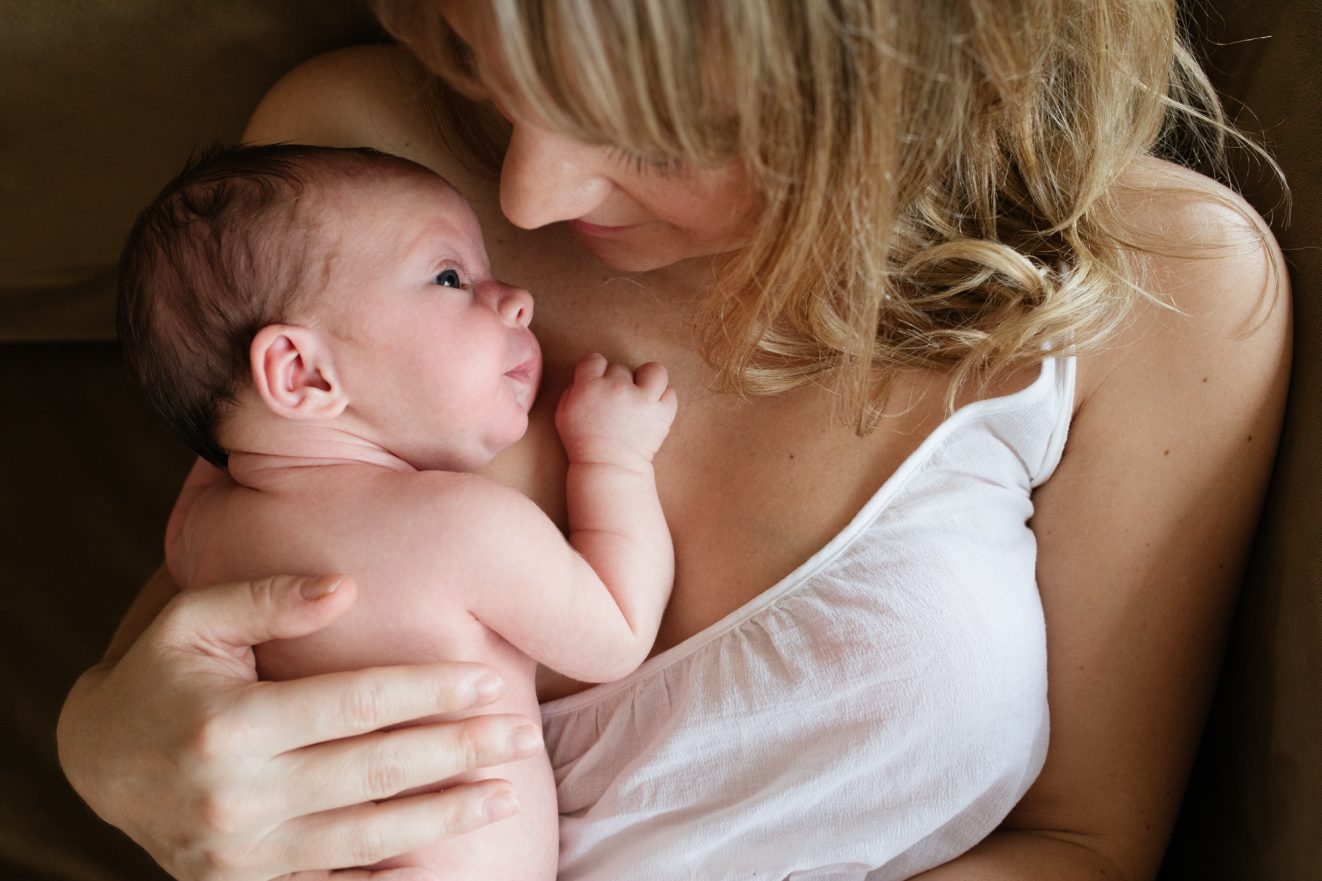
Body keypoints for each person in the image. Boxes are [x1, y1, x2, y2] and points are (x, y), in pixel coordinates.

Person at [58, 1, 1291, 879]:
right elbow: (215, 612)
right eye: (496, 61)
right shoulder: (346, 174)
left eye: (649, 134)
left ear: (903, 76)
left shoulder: (1171, 295)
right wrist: (101, 744)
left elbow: (1084, 846)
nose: (527, 199)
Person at [115, 142, 678, 880]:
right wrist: (614, 459)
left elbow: (218, 444)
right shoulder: (460, 526)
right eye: (451, 276)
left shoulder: (196, 535)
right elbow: (616, 631)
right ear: (303, 374)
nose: (515, 297)